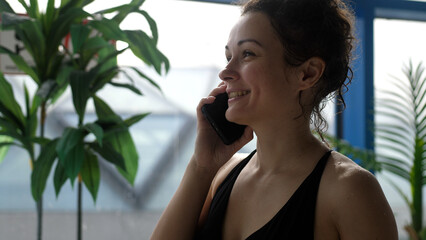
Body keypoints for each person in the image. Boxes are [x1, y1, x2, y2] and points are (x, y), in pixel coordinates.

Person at [151, 0, 398, 239]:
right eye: (229, 56)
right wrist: (201, 167)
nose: (225, 72)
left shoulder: (350, 190)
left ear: (307, 73)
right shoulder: (222, 174)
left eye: (247, 54)